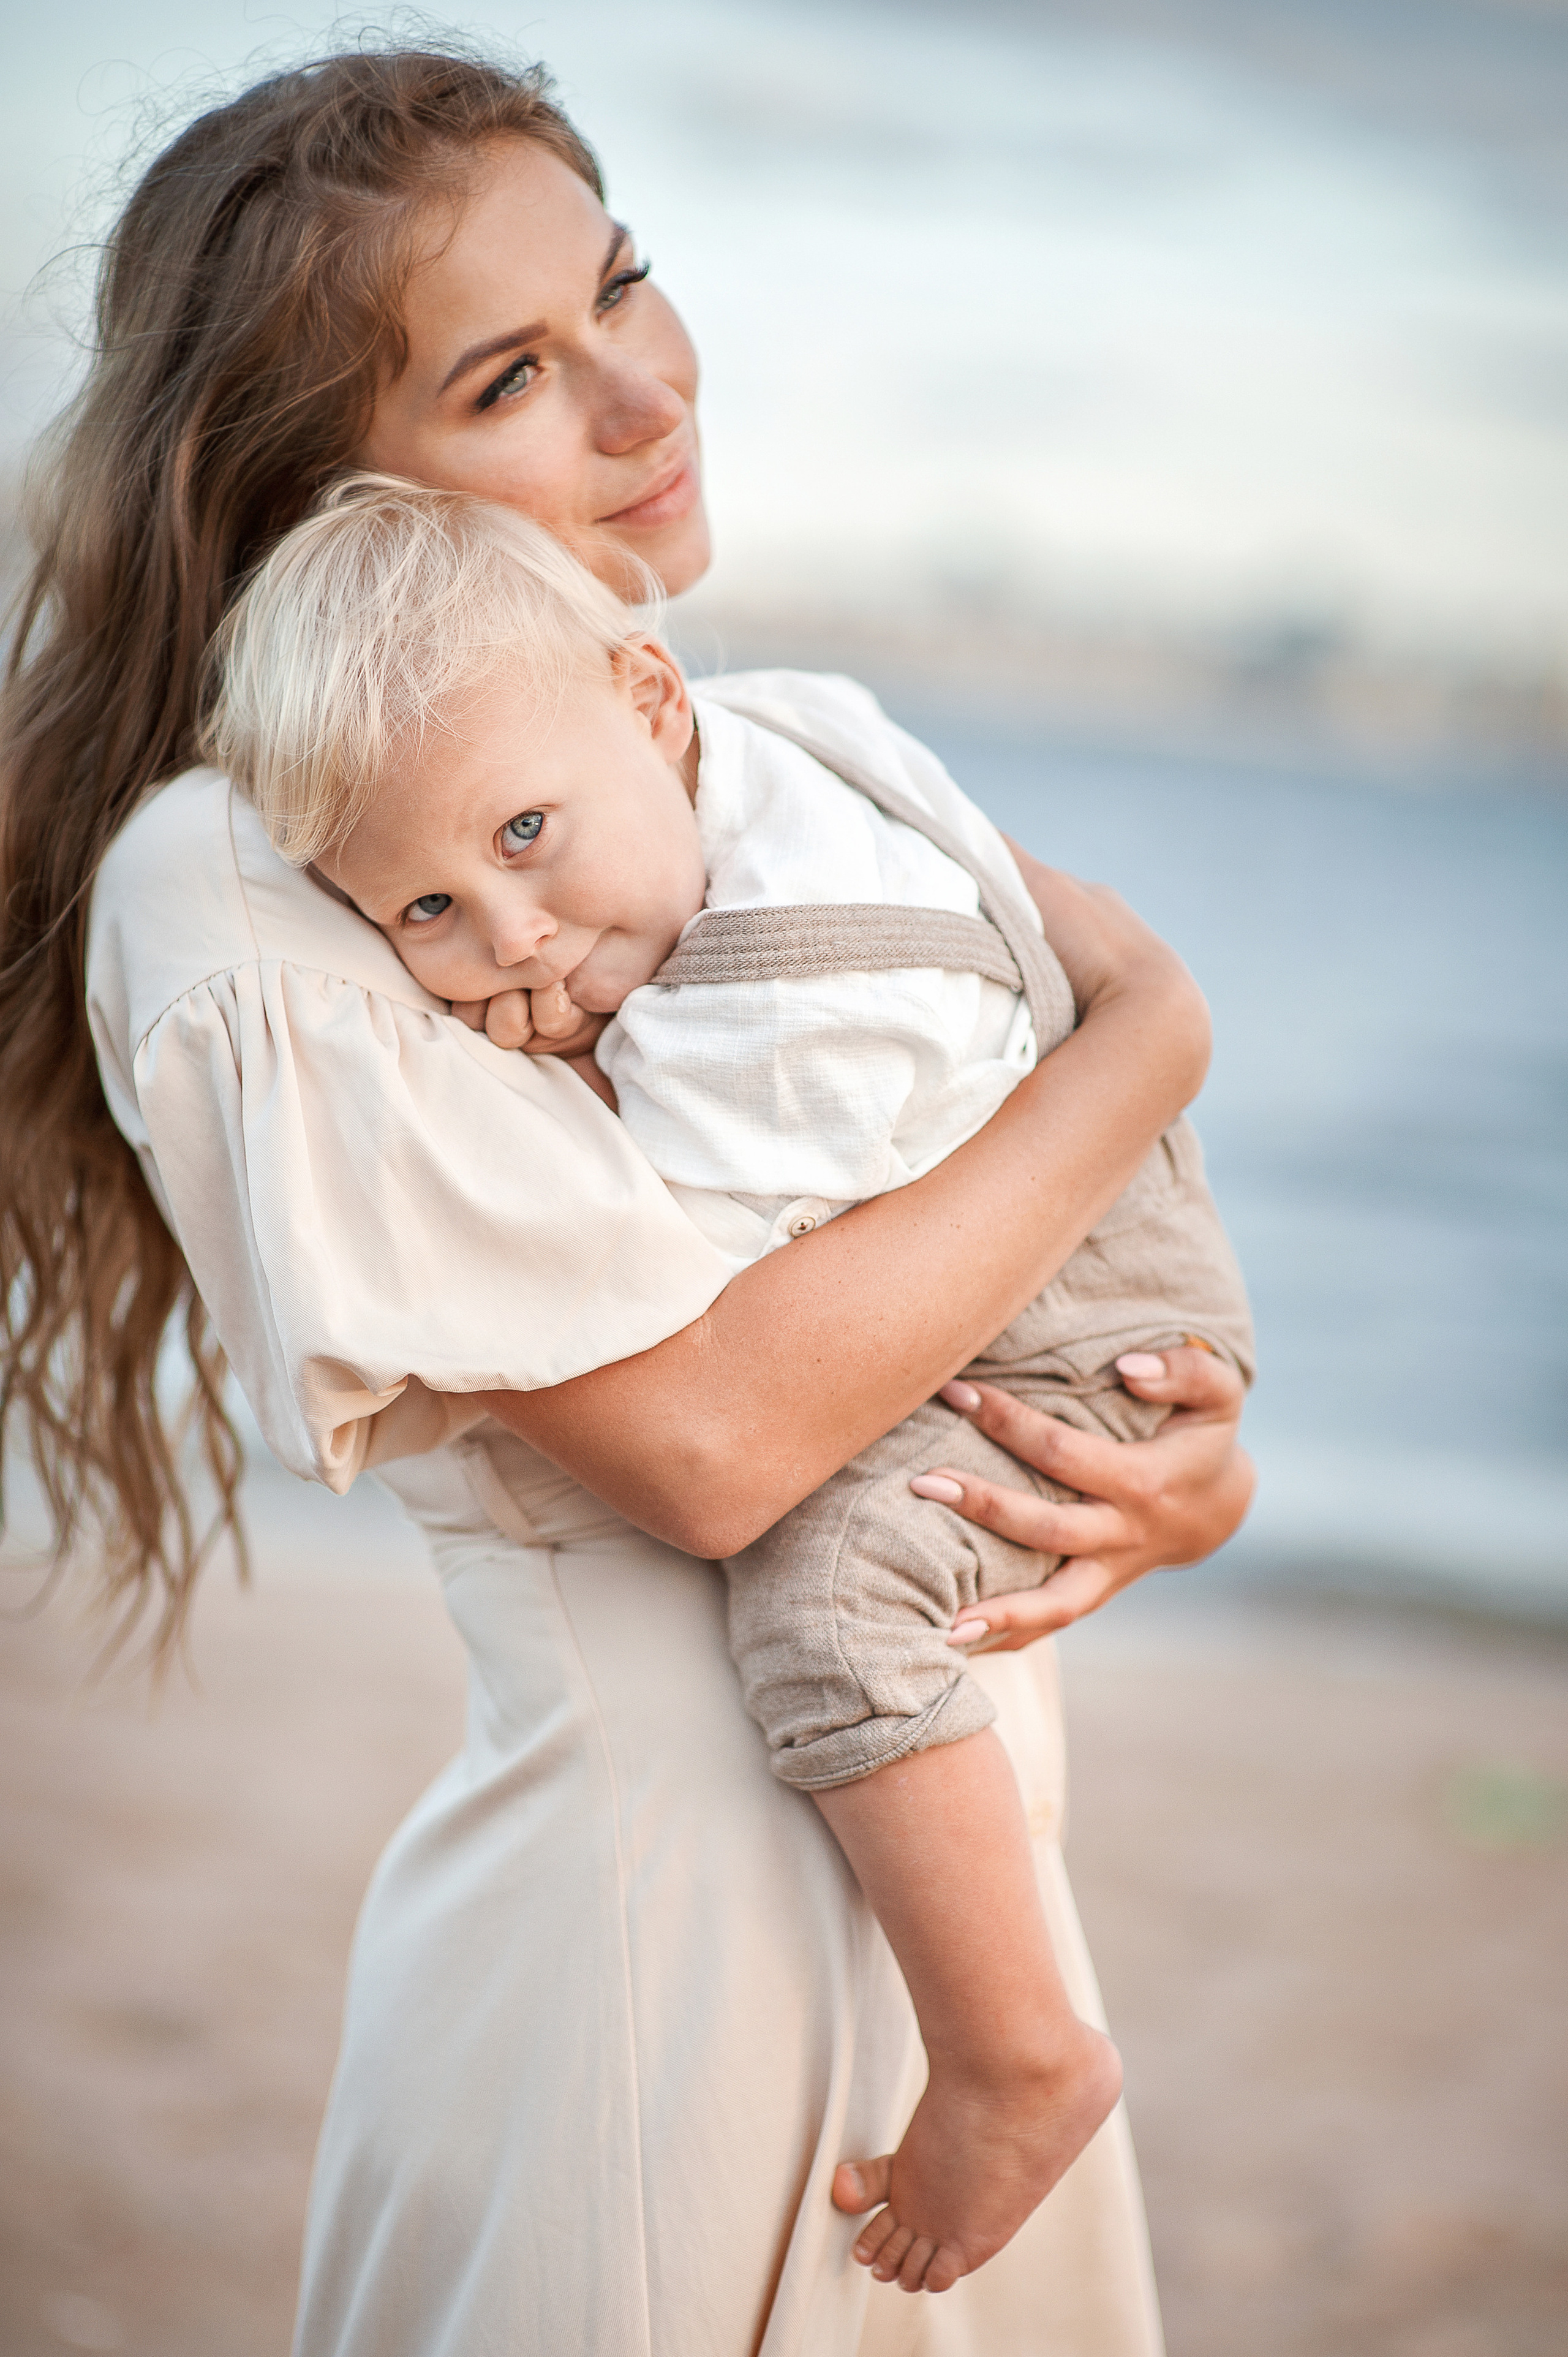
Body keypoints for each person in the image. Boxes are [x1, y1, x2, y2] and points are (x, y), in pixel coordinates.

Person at [0, 47, 1254, 2353]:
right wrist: (1155, 1035)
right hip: (655, 1980)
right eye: (506, 376)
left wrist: (1166, 1458)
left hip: (952, 1921)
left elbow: (949, 1230)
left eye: (622, 286)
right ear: (326, 496)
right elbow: (711, 1444)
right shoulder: (255, 871)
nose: (640, 392)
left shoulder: (732, 754)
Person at [205, 472, 1257, 2296]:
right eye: (426, 912)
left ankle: (1017, 2052)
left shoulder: (776, 994)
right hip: (1099, 1257)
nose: (513, 944)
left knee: (833, 1598)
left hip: (1061, 1317)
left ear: (652, 705)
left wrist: (590, 1096)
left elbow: (729, 1360)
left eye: (527, 835)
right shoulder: (788, 744)